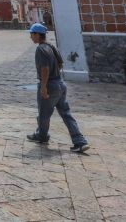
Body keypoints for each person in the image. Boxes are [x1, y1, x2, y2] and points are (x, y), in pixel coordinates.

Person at [26, 23, 90, 153]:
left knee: (44, 114)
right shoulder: (51, 47)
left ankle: (42, 135)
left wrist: (44, 87)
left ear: (37, 35)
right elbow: (60, 63)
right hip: (60, 83)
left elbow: (44, 69)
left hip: (49, 85)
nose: (31, 37)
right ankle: (80, 141)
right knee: (66, 114)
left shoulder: (41, 49)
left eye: (32, 34)